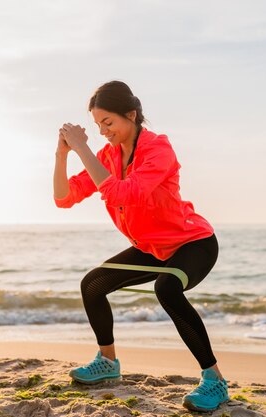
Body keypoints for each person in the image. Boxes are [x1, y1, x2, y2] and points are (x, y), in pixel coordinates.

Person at [53, 80, 229, 412]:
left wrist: (82, 149)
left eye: (109, 122)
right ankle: (108, 363)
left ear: (131, 115)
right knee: (92, 285)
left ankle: (215, 380)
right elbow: (64, 198)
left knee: (167, 289)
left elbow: (124, 193)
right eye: (97, 125)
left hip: (192, 243)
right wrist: (62, 154)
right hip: (151, 247)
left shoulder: (157, 149)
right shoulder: (108, 156)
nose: (103, 131)